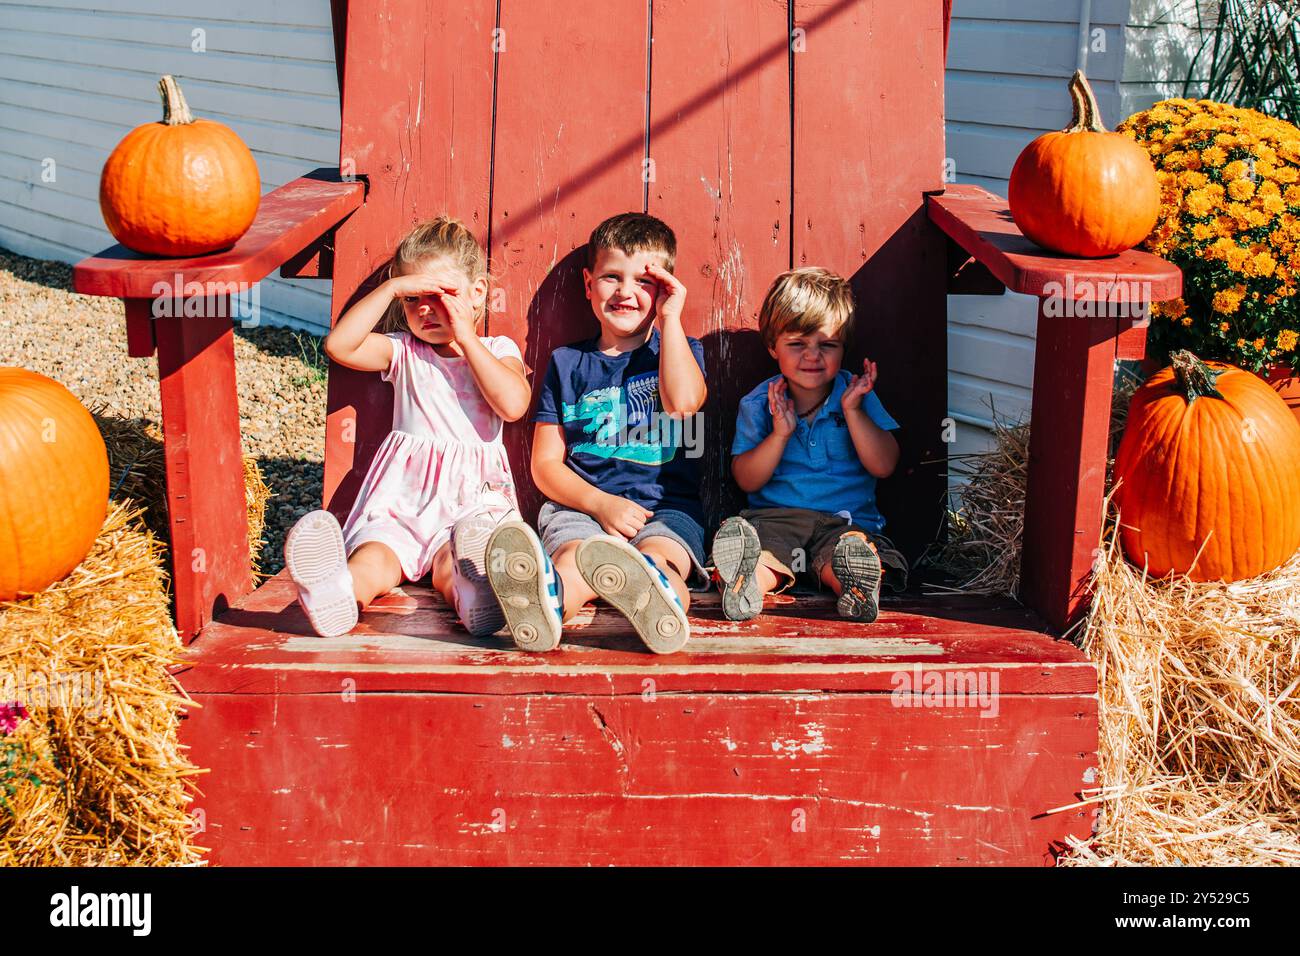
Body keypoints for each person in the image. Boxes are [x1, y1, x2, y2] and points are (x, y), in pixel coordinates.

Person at [284, 218, 531, 638]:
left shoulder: (495, 349)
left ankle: (474, 597)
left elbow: (512, 405)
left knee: (456, 563)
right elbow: (339, 347)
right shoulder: (402, 350)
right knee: (376, 556)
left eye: (441, 295)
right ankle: (340, 592)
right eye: (412, 297)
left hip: (469, 502)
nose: (424, 308)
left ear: (478, 293)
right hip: (403, 500)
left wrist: (467, 338)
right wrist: (390, 289)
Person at [485, 213, 708, 654]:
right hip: (582, 508)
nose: (626, 292)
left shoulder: (681, 351)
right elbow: (545, 465)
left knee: (663, 559)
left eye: (643, 281)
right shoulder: (566, 363)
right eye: (611, 277)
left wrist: (672, 318)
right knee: (572, 558)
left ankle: (661, 606)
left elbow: (683, 405)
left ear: (664, 288)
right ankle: (544, 608)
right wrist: (598, 503)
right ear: (588, 285)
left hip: (663, 510)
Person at [712, 267, 908, 624]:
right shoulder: (759, 403)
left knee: (847, 552)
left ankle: (855, 585)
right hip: (776, 520)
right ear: (773, 346)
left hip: (845, 521)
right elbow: (746, 479)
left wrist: (853, 413)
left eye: (827, 345)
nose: (813, 356)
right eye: (797, 344)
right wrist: (780, 435)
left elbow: (884, 465)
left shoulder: (856, 395)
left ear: (843, 347)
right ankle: (746, 584)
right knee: (764, 555)